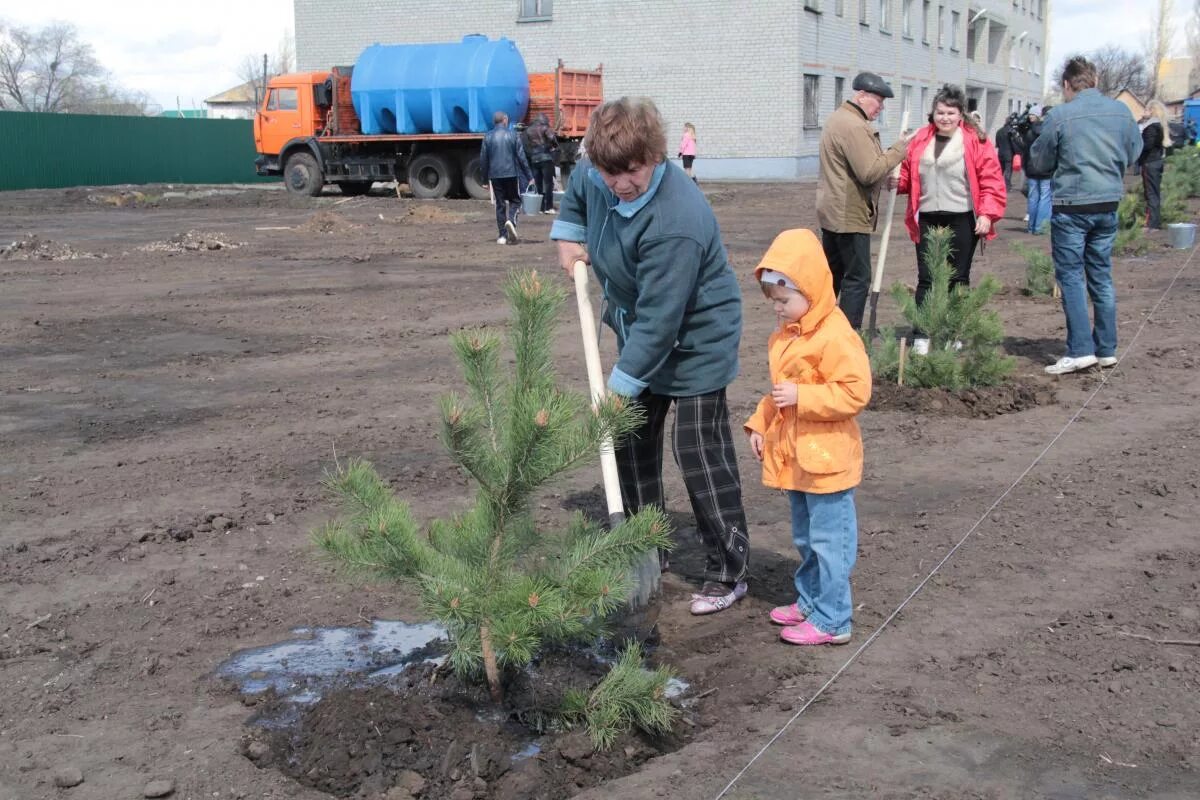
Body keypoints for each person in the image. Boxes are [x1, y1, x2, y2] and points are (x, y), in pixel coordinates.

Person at [550, 97, 751, 615]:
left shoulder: (675, 221)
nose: (619, 184)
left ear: (657, 156)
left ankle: (729, 570)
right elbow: (576, 195)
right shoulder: (597, 172)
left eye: (632, 171)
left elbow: (664, 321)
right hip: (641, 328)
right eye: (609, 172)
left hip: (696, 337)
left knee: (697, 450)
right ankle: (645, 546)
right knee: (630, 440)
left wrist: (616, 388)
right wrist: (569, 236)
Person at [744, 229, 872, 646]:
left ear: (811, 290)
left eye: (784, 300)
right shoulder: (788, 336)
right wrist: (761, 424)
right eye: (774, 302)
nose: (778, 310)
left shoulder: (835, 335)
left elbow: (855, 391)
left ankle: (834, 618)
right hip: (799, 459)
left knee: (830, 541)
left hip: (828, 461)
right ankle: (811, 600)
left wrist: (805, 396)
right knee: (805, 537)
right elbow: (780, 393)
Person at [1029, 56, 1142, 375]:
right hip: (1107, 203)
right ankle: (1106, 349)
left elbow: (1039, 159)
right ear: (1095, 80)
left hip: (1072, 206)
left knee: (1071, 275)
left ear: (1067, 85)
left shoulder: (1061, 115)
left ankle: (1080, 349)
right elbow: (1135, 151)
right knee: (1102, 275)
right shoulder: (1121, 111)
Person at [894, 84, 1006, 354]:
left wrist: (988, 214)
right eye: (940, 112)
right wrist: (896, 181)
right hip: (928, 218)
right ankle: (922, 334)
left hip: (962, 218)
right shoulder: (920, 139)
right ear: (932, 113)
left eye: (950, 113)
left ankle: (952, 332)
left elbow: (991, 180)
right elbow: (908, 176)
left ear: (960, 114)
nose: (944, 117)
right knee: (927, 278)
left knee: (957, 278)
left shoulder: (975, 140)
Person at [817, 71, 912, 330]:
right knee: (857, 279)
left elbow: (851, 171)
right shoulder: (854, 126)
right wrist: (898, 151)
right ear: (861, 96)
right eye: (878, 101)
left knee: (832, 276)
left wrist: (884, 177)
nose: (881, 107)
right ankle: (848, 337)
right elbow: (868, 171)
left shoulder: (838, 118)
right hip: (849, 214)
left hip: (834, 211)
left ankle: (819, 327)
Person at [479, 111, 531, 245]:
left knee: (500, 204)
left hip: (495, 175)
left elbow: (483, 160)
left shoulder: (488, 137)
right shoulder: (513, 135)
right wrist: (529, 176)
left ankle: (502, 236)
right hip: (511, 174)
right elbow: (521, 157)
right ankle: (511, 222)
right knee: (515, 200)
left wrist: (484, 180)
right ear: (505, 120)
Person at [1011, 105, 1054, 234]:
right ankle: (1041, 227)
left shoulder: (1029, 132)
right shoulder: (1049, 132)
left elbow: (1024, 148)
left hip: (1031, 167)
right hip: (1046, 168)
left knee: (1033, 197)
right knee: (1045, 198)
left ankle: (1031, 227)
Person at [1138, 101, 1171, 231]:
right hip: (1157, 161)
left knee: (1150, 193)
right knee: (1155, 192)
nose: (1143, 111)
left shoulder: (1151, 126)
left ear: (1151, 110)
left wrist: (1137, 148)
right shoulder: (1161, 125)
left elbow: (1147, 145)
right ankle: (1155, 221)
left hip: (1149, 162)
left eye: (1146, 109)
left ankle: (1151, 223)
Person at [524, 113, 559, 214]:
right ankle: (549, 207)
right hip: (546, 159)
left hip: (534, 159)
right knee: (548, 184)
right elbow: (553, 139)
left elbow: (525, 145)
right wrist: (553, 146)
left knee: (538, 184)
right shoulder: (545, 128)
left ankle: (540, 207)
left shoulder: (528, 130)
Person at [995, 119, 1015, 189]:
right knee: (1008, 170)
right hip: (1009, 154)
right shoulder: (1011, 132)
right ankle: (1007, 185)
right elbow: (1013, 143)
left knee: (1000, 170)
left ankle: (997, 184)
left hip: (1000, 153)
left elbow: (997, 144)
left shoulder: (999, 131)